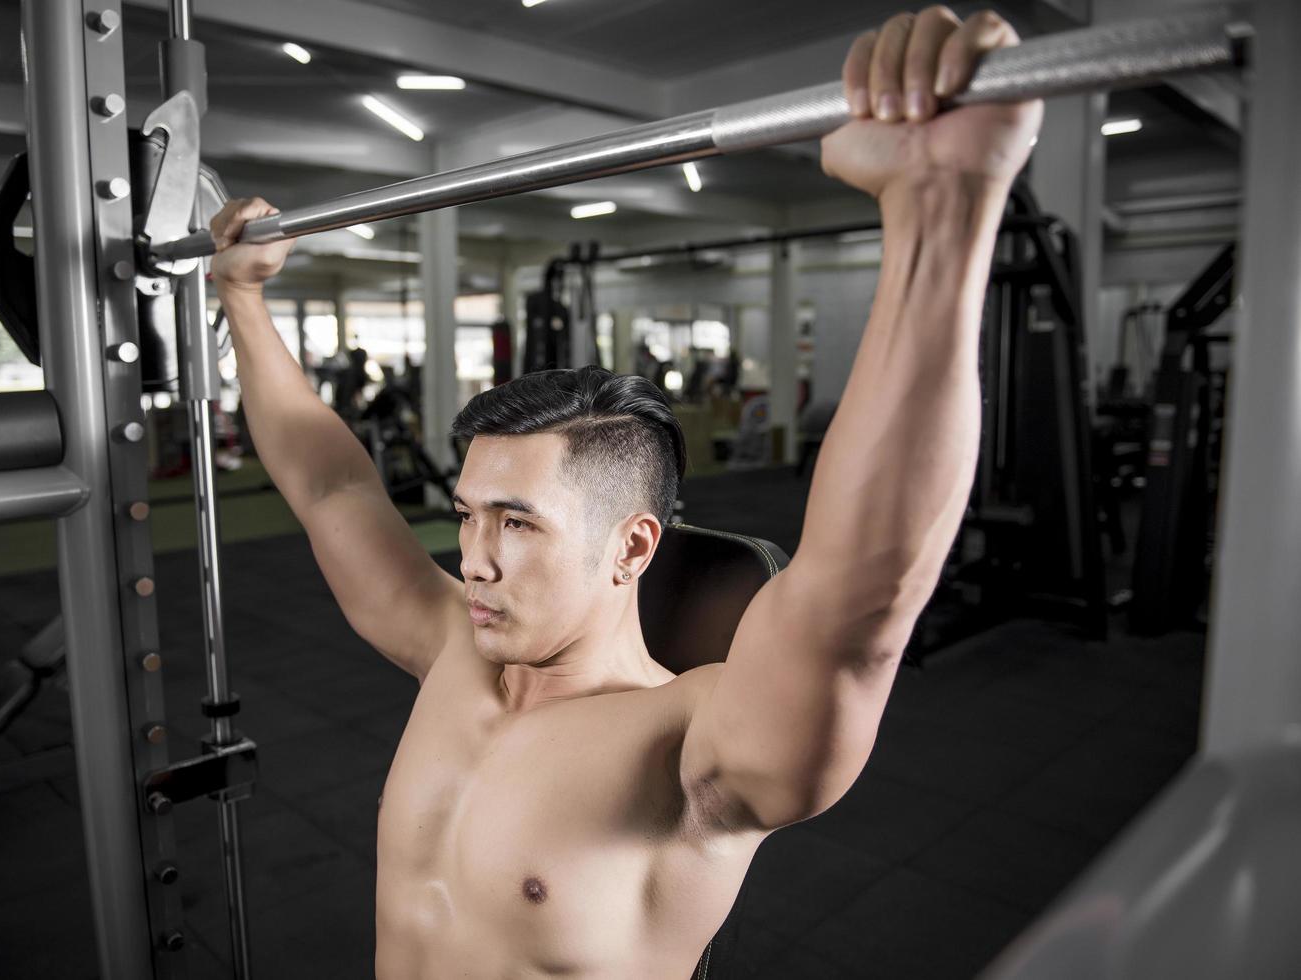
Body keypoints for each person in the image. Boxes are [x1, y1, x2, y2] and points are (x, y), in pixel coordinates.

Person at [207, 7, 1041, 976]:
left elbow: (864, 595)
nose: (471, 556)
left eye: (517, 522)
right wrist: (243, 298)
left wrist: (940, 206)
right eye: (468, 513)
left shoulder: (693, 750)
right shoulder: (450, 648)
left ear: (633, 545)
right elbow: (332, 484)